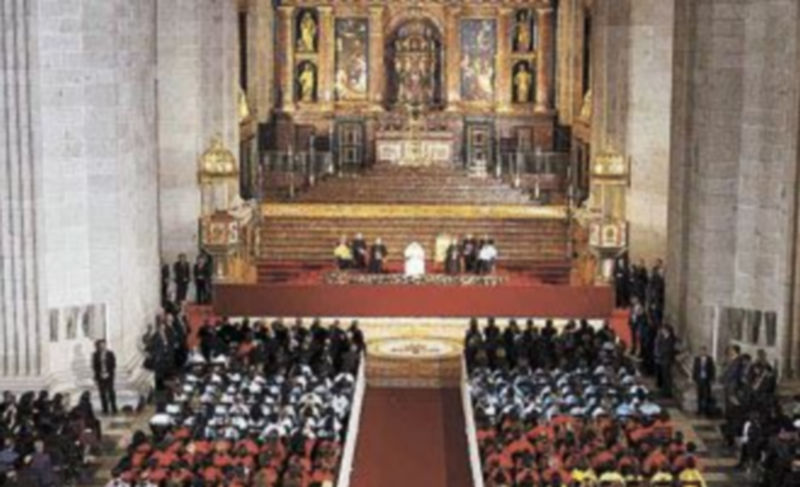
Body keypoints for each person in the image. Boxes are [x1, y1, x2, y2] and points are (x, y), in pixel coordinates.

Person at [92, 339, 117, 415]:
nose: (102, 346)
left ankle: (113, 408)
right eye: (100, 345)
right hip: (100, 376)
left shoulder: (110, 353)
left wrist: (108, 373)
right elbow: (94, 366)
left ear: (106, 345)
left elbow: (113, 364)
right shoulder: (95, 355)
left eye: (103, 345)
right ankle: (105, 408)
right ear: (98, 346)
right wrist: (98, 374)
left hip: (109, 375)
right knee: (102, 393)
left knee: (111, 392)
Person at [654, 324, 677, 398]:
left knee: (667, 377)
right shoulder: (661, 337)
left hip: (667, 360)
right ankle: (664, 390)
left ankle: (668, 392)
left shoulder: (671, 339)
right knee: (664, 376)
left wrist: (660, 352)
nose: (662, 332)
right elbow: (657, 344)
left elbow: (668, 349)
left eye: (663, 330)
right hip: (662, 359)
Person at [692, 346, 716, 416]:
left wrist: (712, 378)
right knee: (699, 395)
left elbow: (712, 369)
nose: (702, 352)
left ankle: (707, 411)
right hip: (699, 379)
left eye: (704, 351)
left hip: (707, 380)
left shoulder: (709, 359)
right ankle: (699, 410)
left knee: (706, 395)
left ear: (706, 351)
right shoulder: (697, 359)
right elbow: (695, 369)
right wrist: (694, 378)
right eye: (701, 351)